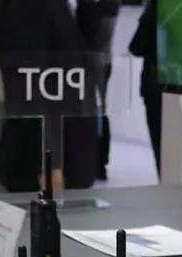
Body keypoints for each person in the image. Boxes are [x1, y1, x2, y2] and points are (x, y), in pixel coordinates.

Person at [0, 0, 99, 192]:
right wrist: (50, 161)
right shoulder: (25, 6)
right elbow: (29, 87)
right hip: (44, 163)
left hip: (70, 152)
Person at [76, 0, 120, 181]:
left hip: (90, 63)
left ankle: (94, 161)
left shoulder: (90, 7)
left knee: (91, 112)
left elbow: (90, 36)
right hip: (103, 61)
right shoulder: (110, 4)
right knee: (99, 110)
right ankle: (100, 162)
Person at [130, 1, 161, 176]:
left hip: (154, 86)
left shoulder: (153, 11)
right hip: (176, 85)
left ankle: (164, 180)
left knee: (158, 142)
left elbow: (136, 47)